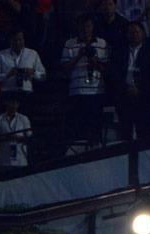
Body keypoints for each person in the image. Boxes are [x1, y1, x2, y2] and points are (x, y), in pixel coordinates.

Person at [60, 13, 109, 144]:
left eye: (88, 26)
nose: (85, 29)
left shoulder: (101, 43)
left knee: (95, 128)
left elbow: (106, 69)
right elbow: (64, 69)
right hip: (77, 91)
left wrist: (93, 61)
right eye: (82, 26)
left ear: (92, 27)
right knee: (78, 130)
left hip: (96, 92)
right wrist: (78, 56)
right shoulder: (70, 43)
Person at [0, 29, 46, 96]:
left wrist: (33, 73)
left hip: (26, 94)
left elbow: (43, 76)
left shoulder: (33, 54)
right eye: (15, 40)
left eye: (20, 40)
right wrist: (6, 75)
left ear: (24, 40)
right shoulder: (1, 55)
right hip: (8, 94)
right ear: (10, 40)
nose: (17, 43)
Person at [0, 92, 31, 169]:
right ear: (6, 103)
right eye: (11, 103)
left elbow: (29, 137)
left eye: (16, 103)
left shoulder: (24, 119)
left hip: (20, 159)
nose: (13, 106)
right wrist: (6, 138)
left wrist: (18, 138)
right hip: (3, 158)